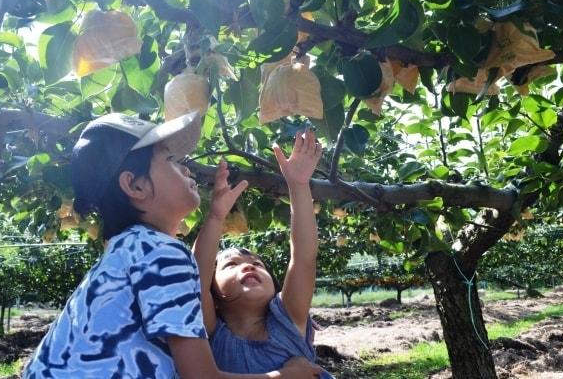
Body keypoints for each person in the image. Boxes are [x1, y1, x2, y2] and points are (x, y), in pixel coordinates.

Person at [23, 111, 322, 378]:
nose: (187, 169)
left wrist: (218, 215)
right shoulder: (162, 253)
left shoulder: (129, 249)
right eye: (170, 160)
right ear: (135, 185)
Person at [193, 129, 334, 378]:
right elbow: (196, 278)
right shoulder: (213, 334)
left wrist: (298, 185)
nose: (248, 266)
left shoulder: (288, 318)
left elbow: (303, 256)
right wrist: (215, 216)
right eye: (231, 265)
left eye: (257, 263)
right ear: (214, 295)